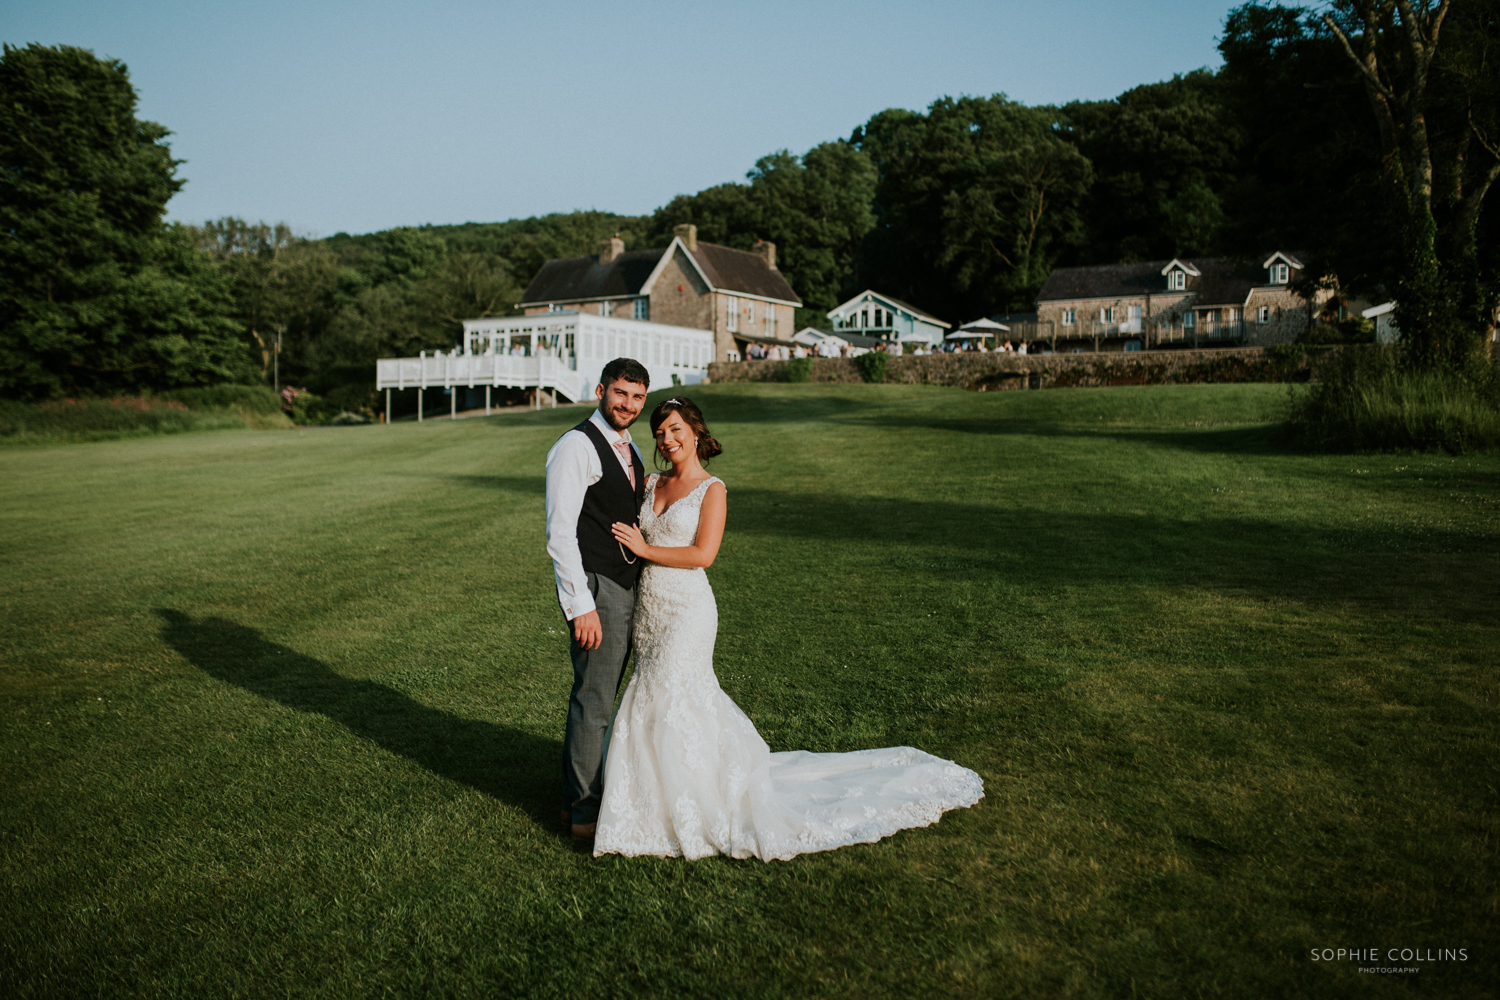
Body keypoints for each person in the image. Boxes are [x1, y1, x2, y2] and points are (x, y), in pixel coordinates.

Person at [596, 398, 983, 861]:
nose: (667, 439)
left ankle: (697, 806)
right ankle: (650, 802)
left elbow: (703, 555)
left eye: (675, 429)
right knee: (653, 696)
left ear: (695, 431)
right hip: (650, 612)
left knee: (676, 693)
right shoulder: (653, 482)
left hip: (687, 612)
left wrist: (645, 548)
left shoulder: (712, 489)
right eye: (660, 433)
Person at [544, 358, 650, 842]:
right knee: (594, 702)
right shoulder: (576, 446)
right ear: (600, 390)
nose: (627, 404)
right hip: (597, 589)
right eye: (620, 394)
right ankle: (584, 813)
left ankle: (575, 802)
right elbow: (560, 533)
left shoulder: (628, 446)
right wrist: (580, 604)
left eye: (637, 397)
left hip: (624, 586)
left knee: (601, 698)